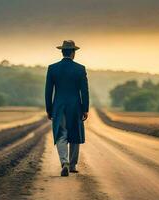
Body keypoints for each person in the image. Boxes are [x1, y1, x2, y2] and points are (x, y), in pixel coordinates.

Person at [45, 40, 89, 177]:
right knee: (75, 135)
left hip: (59, 106)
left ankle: (64, 162)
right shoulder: (80, 69)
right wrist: (85, 108)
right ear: (73, 53)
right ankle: (73, 165)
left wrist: (49, 109)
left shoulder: (52, 68)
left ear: (62, 52)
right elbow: (84, 91)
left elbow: (48, 91)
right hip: (75, 106)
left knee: (61, 135)